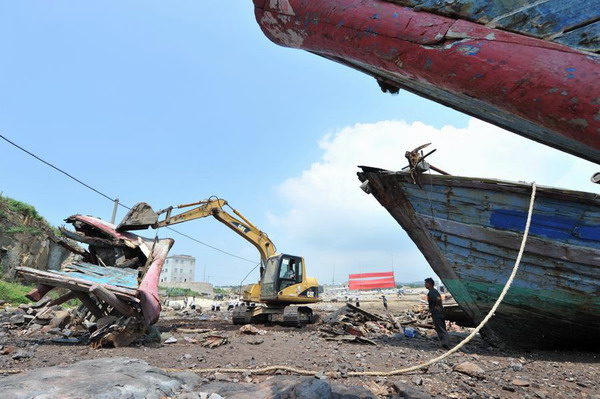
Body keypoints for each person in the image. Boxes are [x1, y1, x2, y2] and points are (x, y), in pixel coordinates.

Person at [425, 277, 450, 348]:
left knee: (440, 328)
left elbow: (438, 299)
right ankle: (444, 343)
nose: (425, 285)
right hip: (438, 312)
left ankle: (446, 344)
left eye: (426, 283)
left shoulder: (432, 292)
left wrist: (437, 307)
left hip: (437, 313)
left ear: (429, 284)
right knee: (441, 328)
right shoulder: (433, 291)